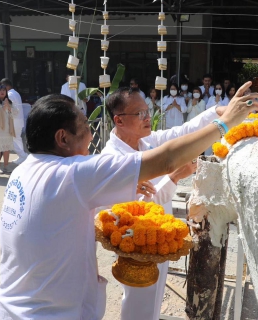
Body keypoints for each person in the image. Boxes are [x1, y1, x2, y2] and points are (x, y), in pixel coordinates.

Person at [0, 83, 258, 320]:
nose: (91, 136)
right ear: (62, 138)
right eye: (86, 128)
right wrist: (226, 125)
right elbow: (166, 160)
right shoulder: (74, 173)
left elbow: (180, 135)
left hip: (19, 307)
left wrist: (218, 113)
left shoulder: (23, 170)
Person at [101, 86, 243, 320]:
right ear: (119, 120)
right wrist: (175, 176)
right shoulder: (112, 159)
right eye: (140, 114)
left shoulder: (147, 142)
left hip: (160, 236)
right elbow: (133, 212)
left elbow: (184, 131)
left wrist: (217, 111)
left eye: (148, 111)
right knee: (139, 301)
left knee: (153, 299)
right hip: (137, 245)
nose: (148, 118)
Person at [0, 78, 27, 165]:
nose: (1, 90)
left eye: (3, 88)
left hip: (13, 120)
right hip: (18, 119)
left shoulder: (10, 94)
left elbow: (7, 108)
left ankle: (23, 155)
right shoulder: (16, 93)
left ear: (6, 86)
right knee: (17, 138)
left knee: (11, 139)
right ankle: (21, 157)